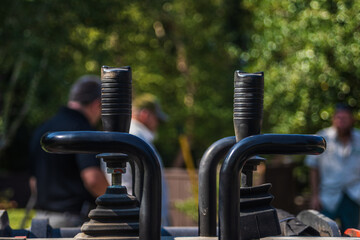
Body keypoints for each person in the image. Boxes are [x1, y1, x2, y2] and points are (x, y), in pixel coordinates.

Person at [29, 75, 109, 228]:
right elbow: (92, 179)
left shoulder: (42, 129)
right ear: (96, 104)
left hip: (40, 220)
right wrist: (117, 202)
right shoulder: (83, 130)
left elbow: (34, 183)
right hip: (71, 222)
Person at [102, 93, 171, 226]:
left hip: (135, 214)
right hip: (139, 218)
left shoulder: (130, 134)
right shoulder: (137, 137)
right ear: (145, 114)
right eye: (156, 118)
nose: (157, 124)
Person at [305, 103, 360, 232]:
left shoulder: (358, 138)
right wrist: (315, 195)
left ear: (352, 120)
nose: (341, 122)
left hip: (353, 194)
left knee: (351, 232)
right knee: (324, 231)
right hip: (328, 195)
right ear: (333, 119)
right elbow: (313, 167)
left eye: (345, 119)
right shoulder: (323, 137)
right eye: (338, 118)